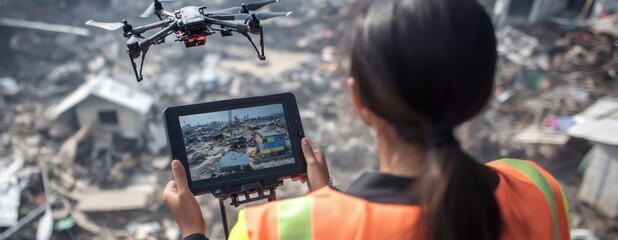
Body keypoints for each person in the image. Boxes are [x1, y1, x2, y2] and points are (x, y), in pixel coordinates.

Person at [163, 0, 570, 239]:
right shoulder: (539, 188)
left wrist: (193, 231)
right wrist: (328, 198)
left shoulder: (269, 229)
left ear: (358, 98)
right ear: (480, 99)